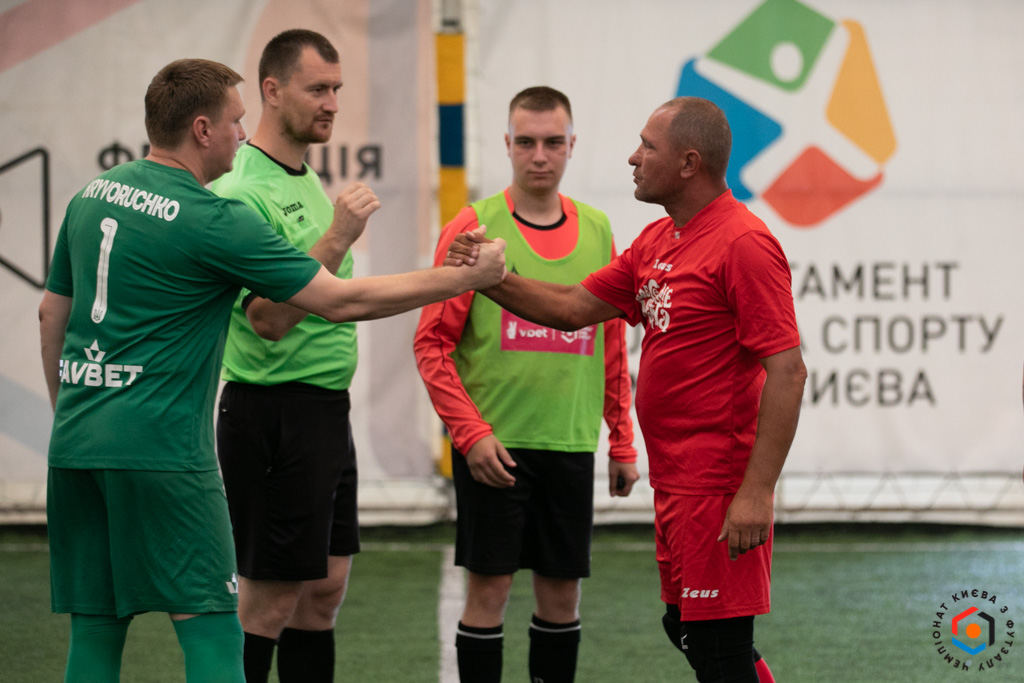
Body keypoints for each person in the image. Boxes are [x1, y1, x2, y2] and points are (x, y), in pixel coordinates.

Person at [38, 57, 505, 683]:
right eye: (235, 122)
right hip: (165, 452)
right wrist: (462, 278)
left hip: (76, 444)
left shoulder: (90, 195)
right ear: (202, 129)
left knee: (95, 631)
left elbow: (51, 314)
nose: (243, 133)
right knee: (213, 630)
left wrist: (70, 414)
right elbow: (340, 302)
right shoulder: (213, 217)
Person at [446, 96, 806, 683]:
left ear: (688, 163)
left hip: (717, 486)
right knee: (683, 625)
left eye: (648, 146)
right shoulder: (658, 238)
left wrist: (757, 493)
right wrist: (492, 278)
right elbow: (570, 307)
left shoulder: (743, 242)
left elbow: (788, 372)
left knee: (718, 647)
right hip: (676, 482)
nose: (633, 158)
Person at [414, 86, 639, 683]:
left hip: (569, 444)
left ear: (572, 145)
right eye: (527, 142)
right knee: (487, 593)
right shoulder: (474, 226)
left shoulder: (598, 228)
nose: (540, 156)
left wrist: (621, 440)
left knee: (562, 598)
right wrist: (470, 435)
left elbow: (611, 342)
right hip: (495, 449)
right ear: (507, 144)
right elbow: (432, 343)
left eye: (553, 142)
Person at [208, 29, 368, 683]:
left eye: (337, 88)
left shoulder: (300, 175)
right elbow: (269, 319)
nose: (332, 103)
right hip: (273, 413)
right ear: (271, 91)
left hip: (324, 408)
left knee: (323, 591)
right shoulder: (242, 191)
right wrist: (338, 237)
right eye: (318, 89)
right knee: (268, 602)